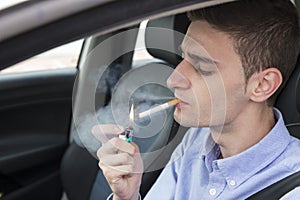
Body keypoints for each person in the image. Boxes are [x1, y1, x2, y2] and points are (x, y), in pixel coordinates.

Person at [92, 0, 300, 199]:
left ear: (262, 85)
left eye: (202, 67)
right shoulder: (196, 140)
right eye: (183, 58)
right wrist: (126, 196)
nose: (173, 80)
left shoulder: (292, 189)